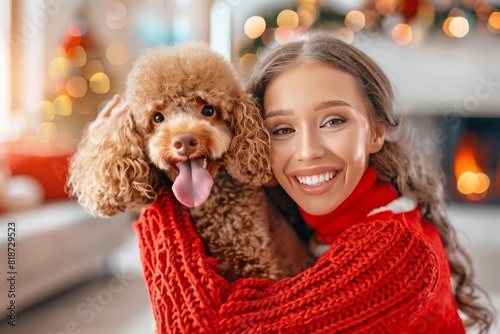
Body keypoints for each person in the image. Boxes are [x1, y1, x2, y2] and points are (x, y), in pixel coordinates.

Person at [96, 33, 495, 333]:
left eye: (333, 121)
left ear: (375, 132)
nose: (307, 151)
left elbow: (210, 328)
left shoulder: (398, 251)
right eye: (282, 129)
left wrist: (154, 193)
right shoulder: (297, 214)